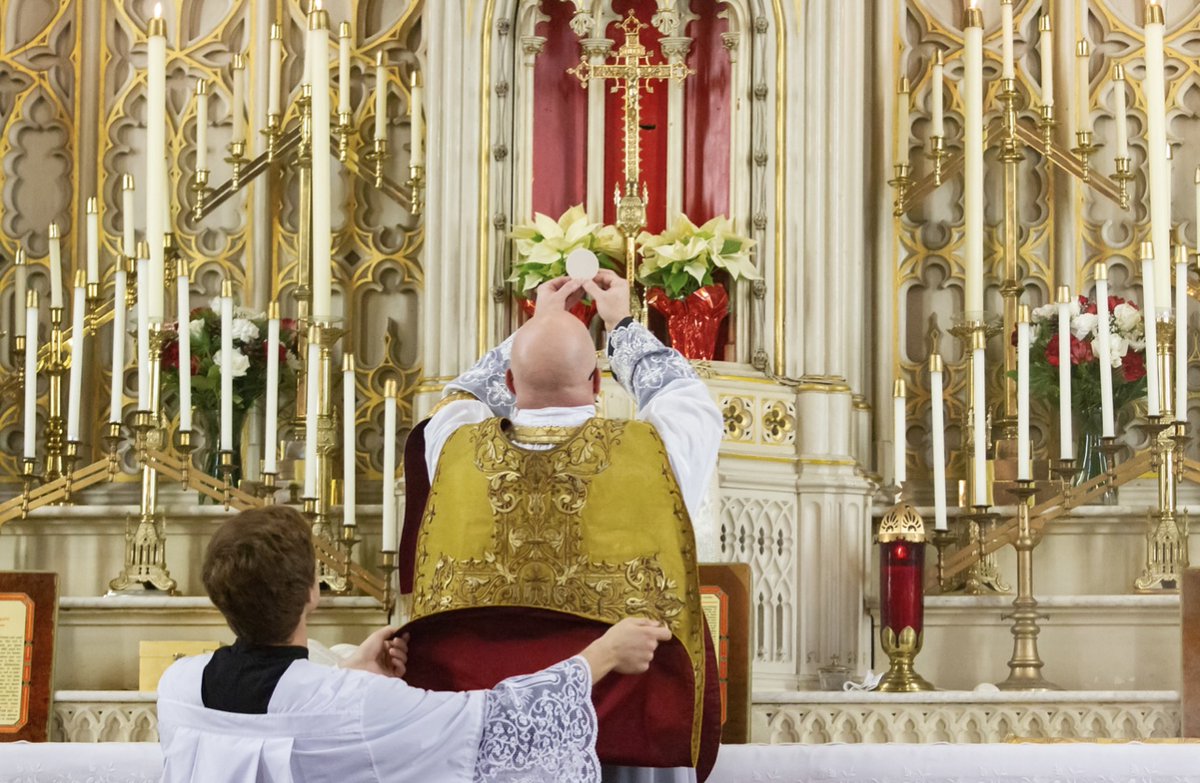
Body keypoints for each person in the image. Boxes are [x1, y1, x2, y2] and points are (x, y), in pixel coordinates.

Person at [397, 271, 724, 783]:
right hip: (625, 723)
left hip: (490, 726)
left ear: (509, 384)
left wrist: (538, 322)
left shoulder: (454, 446)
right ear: (597, 383)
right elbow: (686, 396)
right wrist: (621, 326)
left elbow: (459, 396)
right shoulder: (654, 451)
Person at [156, 505, 672, 783]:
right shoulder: (356, 705)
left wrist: (354, 671)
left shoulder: (178, 688)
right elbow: (495, 724)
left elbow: (280, 714)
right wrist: (606, 652)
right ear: (313, 593)